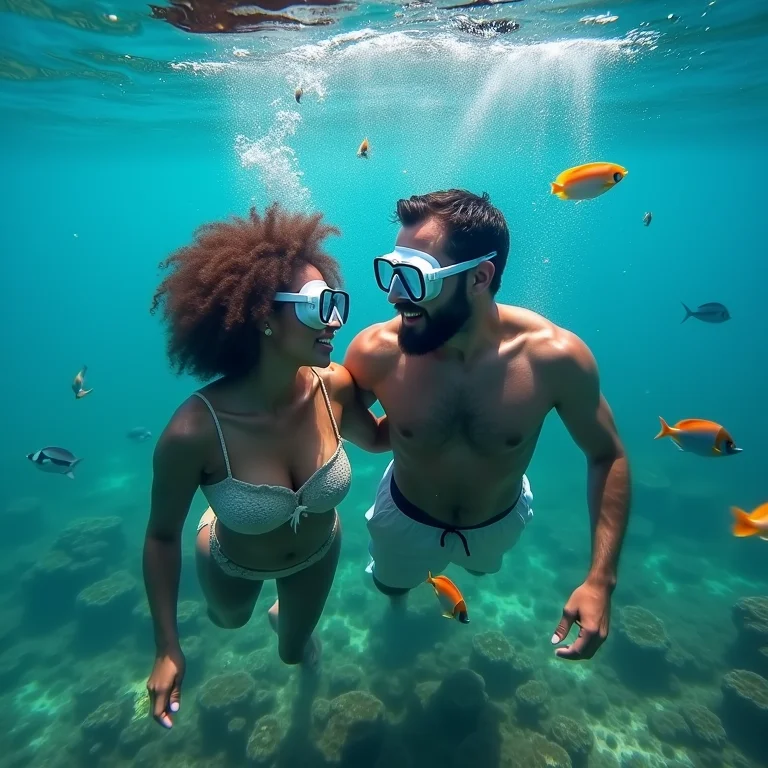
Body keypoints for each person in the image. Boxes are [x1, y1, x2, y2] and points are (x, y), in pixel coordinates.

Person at [344, 189, 630, 662]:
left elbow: (608, 453)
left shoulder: (554, 358)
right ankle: (396, 601)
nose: (395, 294)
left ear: (479, 276)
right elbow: (369, 433)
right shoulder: (376, 351)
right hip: (402, 517)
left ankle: (467, 568)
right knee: (389, 582)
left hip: (498, 522)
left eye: (414, 277)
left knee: (481, 569)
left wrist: (602, 579)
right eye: (391, 270)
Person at [143, 204, 387, 730]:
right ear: (261, 318)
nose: (336, 321)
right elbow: (161, 536)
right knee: (228, 620)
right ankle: (235, 583)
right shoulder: (194, 432)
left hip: (318, 552)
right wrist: (167, 647)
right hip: (232, 560)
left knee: (294, 653)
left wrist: (438, 381)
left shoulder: (335, 387)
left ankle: (287, 625)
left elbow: (386, 438)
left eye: (336, 302)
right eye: (320, 305)